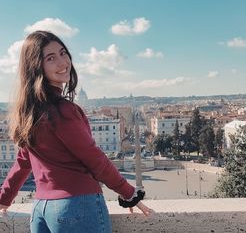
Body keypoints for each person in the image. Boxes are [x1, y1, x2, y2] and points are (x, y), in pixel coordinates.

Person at [0, 31, 151, 233]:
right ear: (36, 66)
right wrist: (129, 193)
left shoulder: (30, 113)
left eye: (63, 53)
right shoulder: (64, 111)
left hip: (41, 209)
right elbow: (94, 159)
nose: (63, 63)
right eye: (51, 58)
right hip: (76, 206)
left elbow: (23, 161)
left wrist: (4, 198)